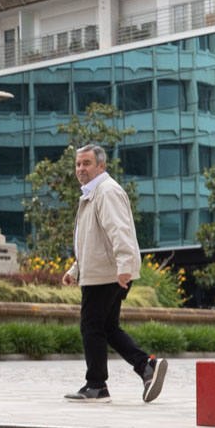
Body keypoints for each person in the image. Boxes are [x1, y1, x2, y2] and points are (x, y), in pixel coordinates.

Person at [62, 144, 168, 404]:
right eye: (78, 164)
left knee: (91, 327)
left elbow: (119, 231)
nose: (80, 169)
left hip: (106, 275)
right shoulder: (92, 193)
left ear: (101, 165)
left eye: (86, 163)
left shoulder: (106, 191)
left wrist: (124, 267)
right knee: (107, 327)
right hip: (102, 272)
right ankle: (146, 367)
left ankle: (96, 386)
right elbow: (93, 240)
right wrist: (76, 270)